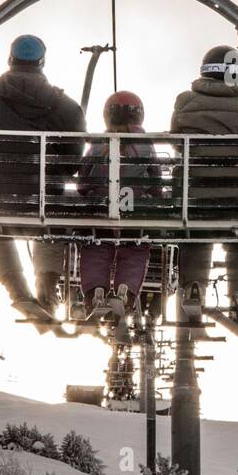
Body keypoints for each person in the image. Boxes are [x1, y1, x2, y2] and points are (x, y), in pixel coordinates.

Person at [0, 34, 85, 326]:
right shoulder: (66, 108)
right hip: (45, 197)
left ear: (10, 59)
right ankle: (47, 287)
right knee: (54, 216)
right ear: (42, 62)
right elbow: (74, 159)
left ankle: (17, 289)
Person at [172, 45, 238, 335]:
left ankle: (193, 289)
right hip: (237, 201)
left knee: (193, 235)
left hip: (194, 199)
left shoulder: (184, 102)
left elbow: (179, 145)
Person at [77, 91, 163, 331]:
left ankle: (96, 290)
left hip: (100, 208)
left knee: (96, 245)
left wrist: (91, 193)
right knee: (135, 247)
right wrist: (154, 198)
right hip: (135, 209)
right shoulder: (145, 145)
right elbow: (156, 179)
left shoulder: (97, 145)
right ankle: (125, 291)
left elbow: (83, 181)